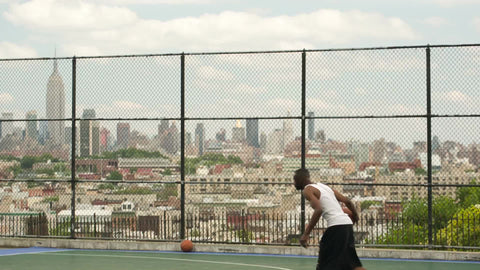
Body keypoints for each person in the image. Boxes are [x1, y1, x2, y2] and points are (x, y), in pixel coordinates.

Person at [293, 168, 366, 270]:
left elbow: (318, 209)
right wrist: (356, 216)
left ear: (300, 179)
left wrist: (305, 234)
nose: (294, 183)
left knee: (324, 264)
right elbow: (348, 201)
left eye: (294, 180)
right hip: (346, 225)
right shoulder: (324, 187)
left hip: (336, 227)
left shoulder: (307, 190)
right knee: (352, 264)